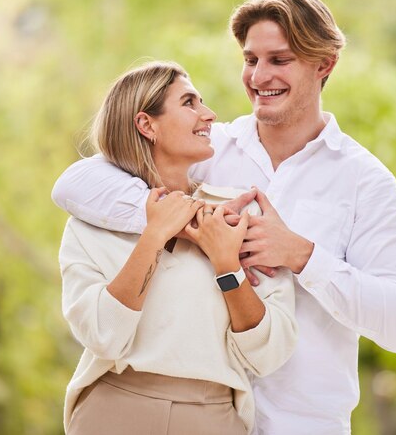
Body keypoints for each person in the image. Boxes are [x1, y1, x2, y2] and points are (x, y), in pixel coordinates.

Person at [53, 0, 396, 435]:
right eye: (251, 60)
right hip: (208, 413)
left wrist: (302, 255)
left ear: (324, 64)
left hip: (302, 424)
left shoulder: (367, 182)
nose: (259, 76)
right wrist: (188, 223)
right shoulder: (208, 150)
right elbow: (75, 184)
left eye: (279, 60)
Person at [57, 61, 297, 435]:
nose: (209, 114)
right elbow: (104, 336)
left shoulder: (237, 216)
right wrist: (154, 235)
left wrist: (226, 264)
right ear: (146, 124)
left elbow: (270, 352)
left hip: (212, 416)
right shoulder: (90, 225)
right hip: (112, 410)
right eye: (189, 103)